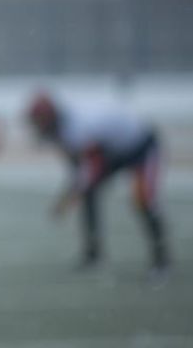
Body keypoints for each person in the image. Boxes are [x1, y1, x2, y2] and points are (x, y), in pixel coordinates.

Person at [25, 91, 169, 277]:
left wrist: (66, 201)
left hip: (141, 147)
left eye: (39, 121)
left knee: (143, 200)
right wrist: (71, 194)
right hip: (112, 151)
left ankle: (161, 260)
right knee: (88, 193)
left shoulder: (78, 128)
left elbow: (89, 169)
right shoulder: (66, 127)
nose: (38, 128)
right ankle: (93, 254)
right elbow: (81, 168)